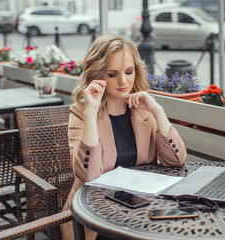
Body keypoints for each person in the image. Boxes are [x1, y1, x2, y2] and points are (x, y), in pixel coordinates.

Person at [60, 34, 187, 240]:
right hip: (95, 215)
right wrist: (91, 112)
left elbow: (176, 161)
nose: (123, 81)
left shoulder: (143, 110)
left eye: (129, 72)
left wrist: (158, 110)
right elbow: (89, 176)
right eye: (112, 74)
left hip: (141, 210)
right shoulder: (81, 112)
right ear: (98, 75)